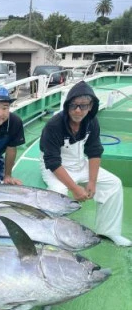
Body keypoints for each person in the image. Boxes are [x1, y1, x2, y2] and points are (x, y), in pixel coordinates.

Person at [39, 80, 131, 247]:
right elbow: (51, 161)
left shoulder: (92, 122)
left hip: (80, 163)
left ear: (91, 106)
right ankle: (52, 236)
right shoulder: (54, 125)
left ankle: (109, 231)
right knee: (58, 192)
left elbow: (94, 151)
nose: (78, 110)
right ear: (67, 106)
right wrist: (74, 188)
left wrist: (92, 182)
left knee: (114, 184)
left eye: (84, 106)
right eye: (74, 105)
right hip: (55, 167)